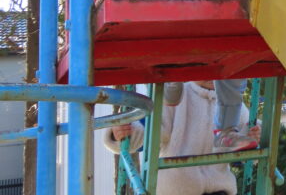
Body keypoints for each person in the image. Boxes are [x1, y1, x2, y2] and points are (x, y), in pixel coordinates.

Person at [104, 81, 260, 195]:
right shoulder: (176, 96)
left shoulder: (232, 104)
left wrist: (252, 136)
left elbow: (242, 145)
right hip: (176, 189)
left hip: (218, 190)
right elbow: (151, 134)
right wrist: (123, 134)